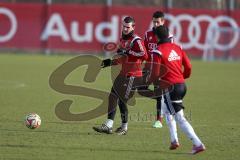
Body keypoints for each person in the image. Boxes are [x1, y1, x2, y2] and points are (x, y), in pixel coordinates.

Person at [154, 25, 206, 154]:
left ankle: (197, 143)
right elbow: (188, 66)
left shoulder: (158, 50)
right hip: (182, 85)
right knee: (166, 111)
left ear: (157, 37)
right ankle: (174, 140)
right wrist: (182, 77)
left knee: (179, 117)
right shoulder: (178, 47)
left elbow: (154, 73)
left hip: (170, 87)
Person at [93, 16, 148, 135]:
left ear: (133, 27)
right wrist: (110, 62)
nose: (125, 29)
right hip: (123, 74)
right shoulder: (123, 39)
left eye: (127, 27)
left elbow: (144, 54)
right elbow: (121, 58)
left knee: (122, 100)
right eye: (123, 26)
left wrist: (128, 52)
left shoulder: (136, 40)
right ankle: (109, 125)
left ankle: (124, 127)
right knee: (112, 96)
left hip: (133, 75)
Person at [141, 11, 173, 128]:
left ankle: (158, 120)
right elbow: (143, 51)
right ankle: (162, 99)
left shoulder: (168, 36)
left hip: (160, 69)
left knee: (158, 91)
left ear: (163, 22)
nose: (155, 24)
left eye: (157, 22)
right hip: (148, 66)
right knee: (140, 89)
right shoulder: (148, 34)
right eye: (154, 22)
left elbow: (170, 53)